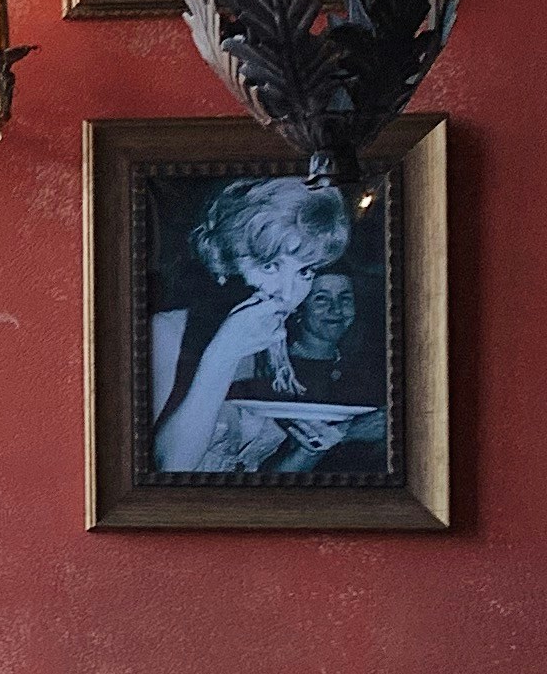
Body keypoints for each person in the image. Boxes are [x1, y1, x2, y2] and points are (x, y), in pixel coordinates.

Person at [148, 174, 381, 475]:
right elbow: (170, 471)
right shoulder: (167, 332)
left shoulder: (272, 349)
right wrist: (223, 353)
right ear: (224, 260)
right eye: (270, 266)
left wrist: (308, 449)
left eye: (305, 272)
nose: (289, 294)